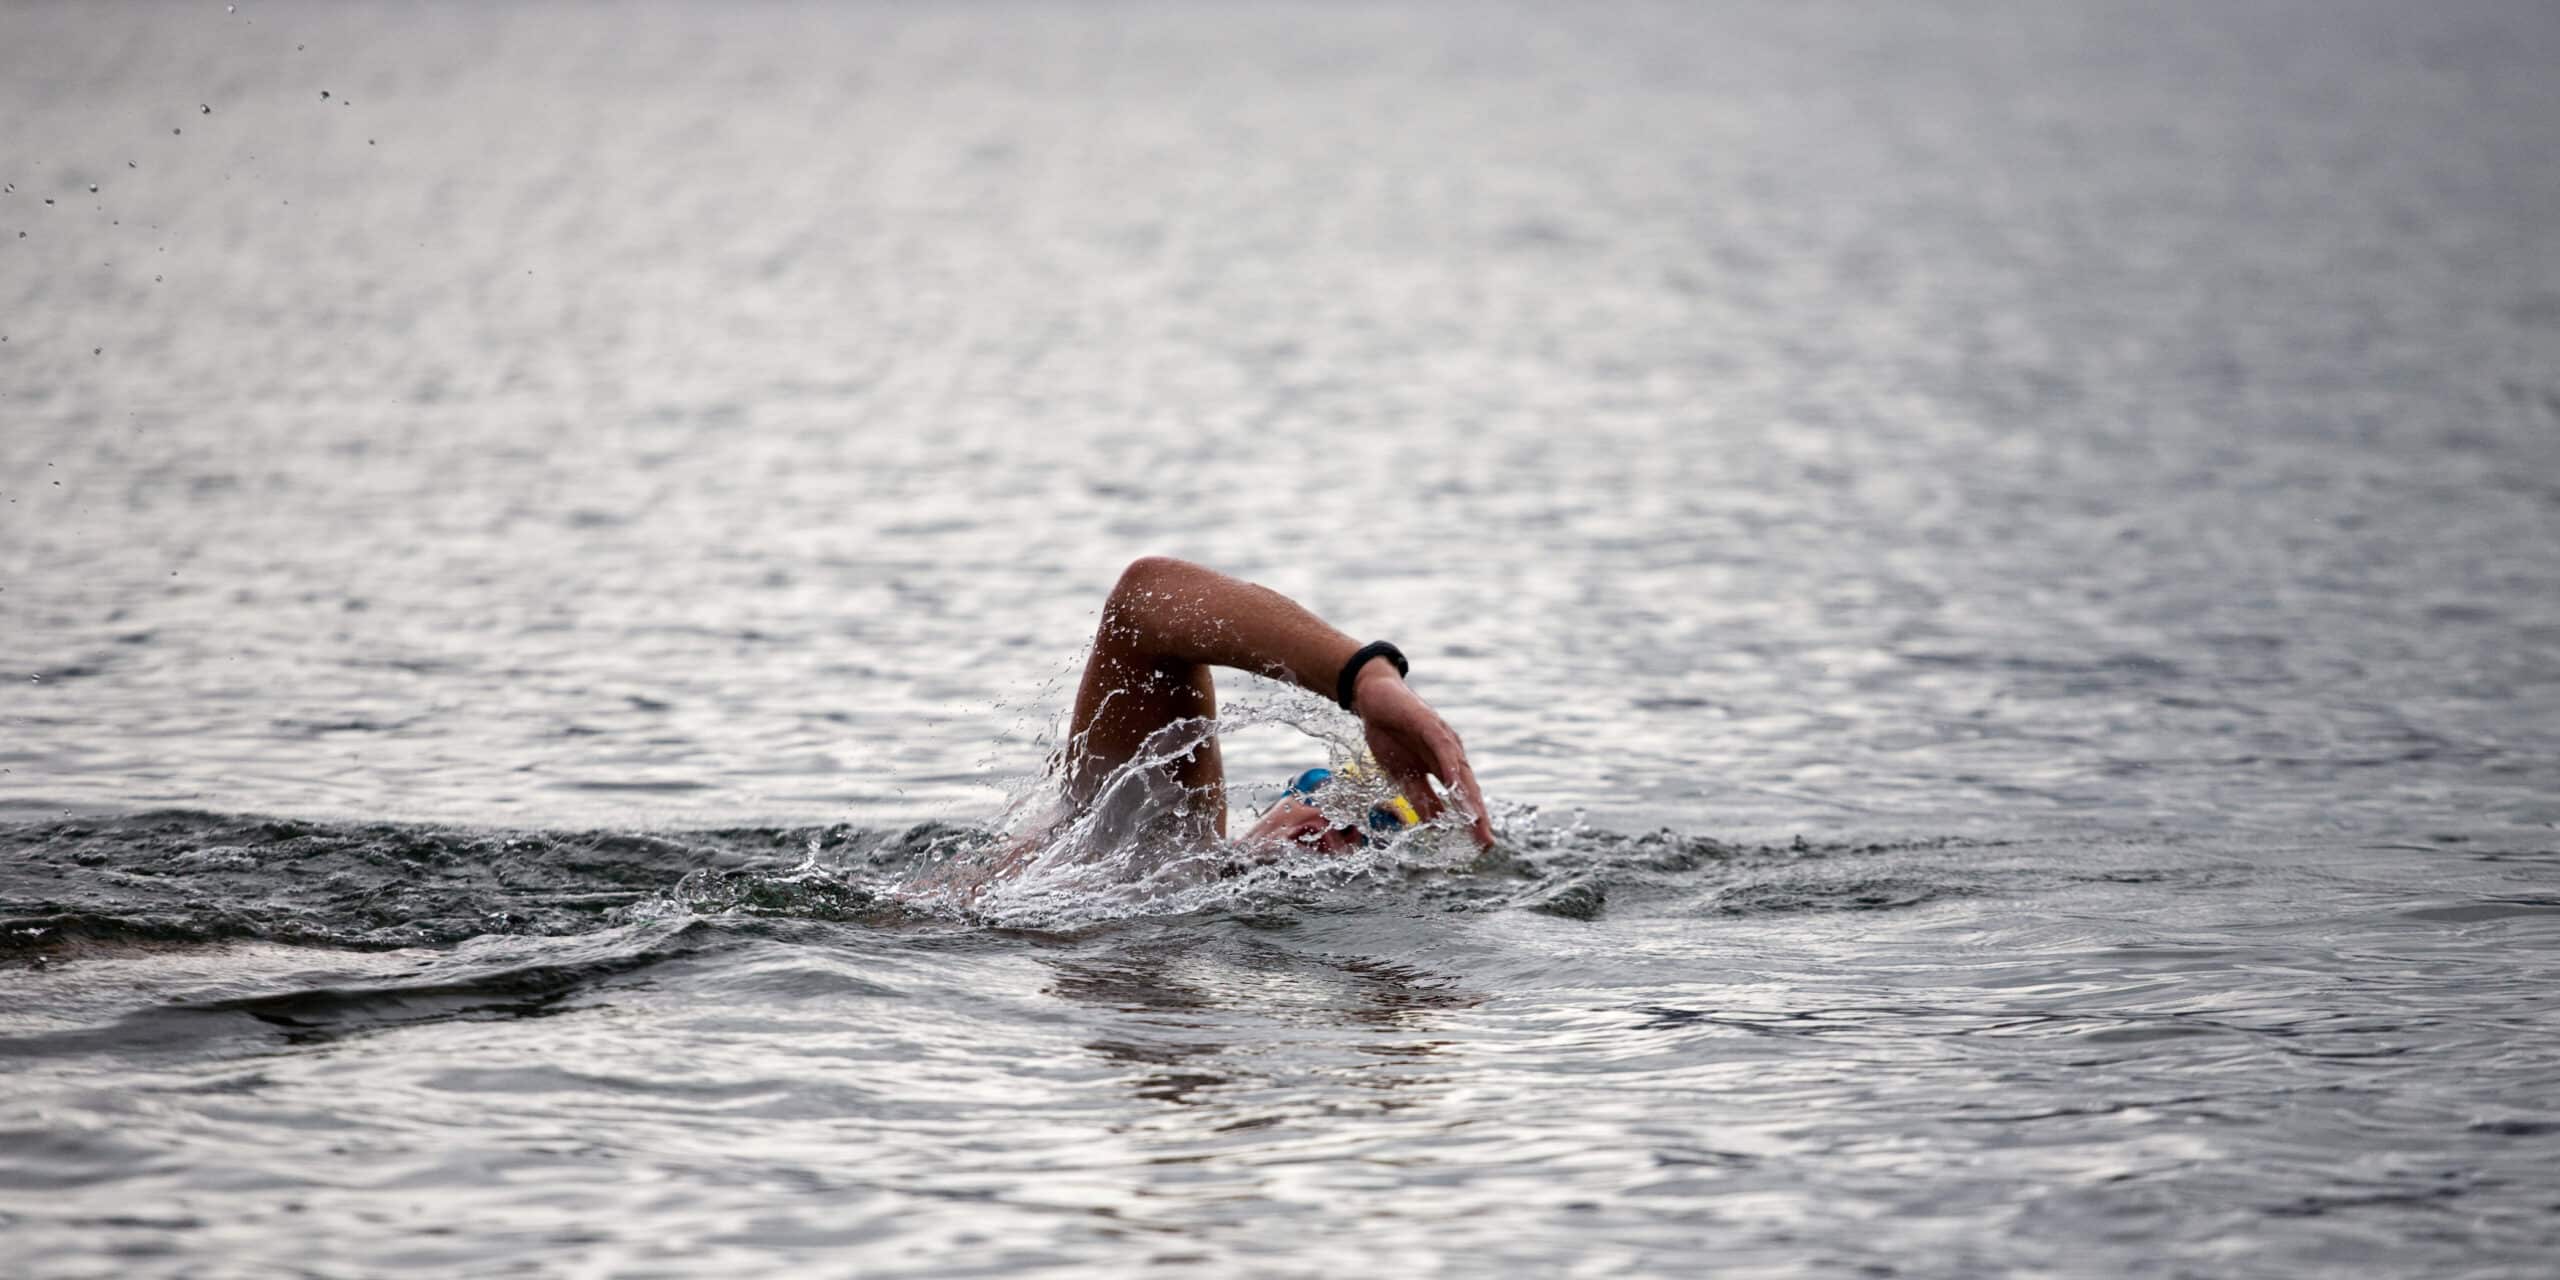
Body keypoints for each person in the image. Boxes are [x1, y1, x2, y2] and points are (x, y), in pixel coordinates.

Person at [1055, 555, 1495, 856]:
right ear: (1278, 804)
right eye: (1324, 791)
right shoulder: (1150, 830)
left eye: (1377, 834)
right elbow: (1142, 600)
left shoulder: (1176, 887)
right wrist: (1364, 676)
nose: (1343, 828)